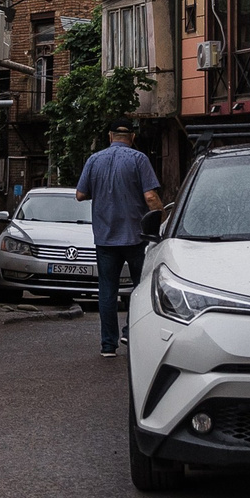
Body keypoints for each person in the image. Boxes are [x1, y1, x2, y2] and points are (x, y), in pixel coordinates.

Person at [72, 117, 161, 358]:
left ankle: (107, 345)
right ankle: (129, 332)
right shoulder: (139, 159)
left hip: (105, 237)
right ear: (132, 137)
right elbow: (151, 197)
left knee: (107, 290)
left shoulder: (94, 159)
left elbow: (80, 194)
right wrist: (163, 221)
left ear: (110, 136)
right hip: (136, 237)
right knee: (140, 288)